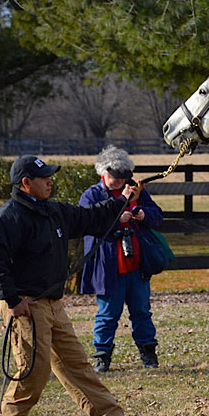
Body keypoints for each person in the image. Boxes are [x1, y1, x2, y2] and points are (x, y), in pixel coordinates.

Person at [0, 155, 144, 416]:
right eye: (44, 177)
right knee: (34, 366)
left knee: (76, 363)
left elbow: (90, 218)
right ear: (26, 183)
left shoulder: (53, 210)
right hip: (26, 303)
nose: (50, 181)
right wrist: (11, 300)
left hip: (53, 303)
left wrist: (123, 199)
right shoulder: (9, 218)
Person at [79, 145, 163, 372]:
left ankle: (148, 354)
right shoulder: (91, 195)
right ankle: (102, 357)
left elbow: (158, 215)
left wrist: (143, 215)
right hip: (108, 267)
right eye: (115, 176)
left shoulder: (137, 191)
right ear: (102, 172)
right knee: (107, 314)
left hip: (137, 265)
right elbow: (87, 223)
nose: (120, 181)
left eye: (124, 176)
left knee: (142, 312)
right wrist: (118, 220)